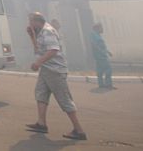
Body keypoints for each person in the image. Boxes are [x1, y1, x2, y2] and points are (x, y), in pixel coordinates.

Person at [25, 12, 87, 141]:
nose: (29, 24)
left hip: (55, 70)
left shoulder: (47, 31)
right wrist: (32, 35)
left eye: (30, 21)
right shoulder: (40, 32)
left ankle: (79, 130)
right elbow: (38, 49)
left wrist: (38, 62)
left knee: (64, 99)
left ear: (36, 21)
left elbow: (53, 50)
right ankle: (41, 123)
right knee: (40, 93)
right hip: (46, 69)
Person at [90, 23, 115, 89]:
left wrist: (108, 52)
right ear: (97, 28)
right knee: (108, 69)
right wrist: (101, 52)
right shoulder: (94, 34)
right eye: (101, 28)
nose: (102, 29)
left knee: (100, 70)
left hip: (100, 55)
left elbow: (102, 45)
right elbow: (94, 45)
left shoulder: (97, 35)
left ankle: (101, 84)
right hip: (100, 56)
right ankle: (108, 84)